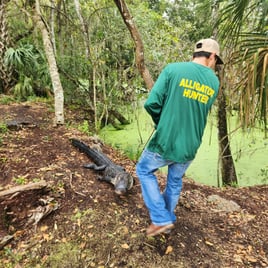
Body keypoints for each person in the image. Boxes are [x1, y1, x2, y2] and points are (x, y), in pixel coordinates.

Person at [136, 38, 223, 237]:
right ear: (212, 57)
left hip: (167, 140)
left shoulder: (173, 70)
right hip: (191, 144)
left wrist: (161, 122)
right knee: (174, 181)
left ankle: (161, 219)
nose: (215, 65)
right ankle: (167, 218)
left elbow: (152, 103)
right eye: (216, 62)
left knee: (143, 169)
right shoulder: (214, 82)